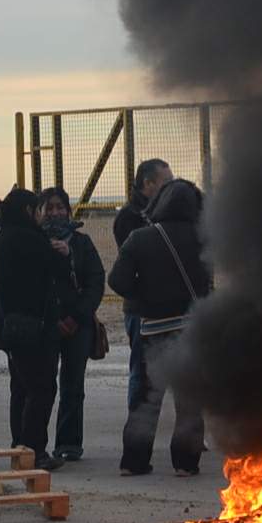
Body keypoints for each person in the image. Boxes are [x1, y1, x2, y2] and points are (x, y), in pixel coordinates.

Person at [109, 177, 210, 477]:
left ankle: (134, 461)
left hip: (153, 331)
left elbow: (117, 281)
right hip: (192, 331)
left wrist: (146, 298)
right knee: (190, 400)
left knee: (146, 399)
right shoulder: (205, 239)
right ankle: (185, 463)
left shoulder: (140, 238)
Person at [0, 184, 84, 473]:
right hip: (32, 327)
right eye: (39, 210)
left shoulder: (4, 239)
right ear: (29, 211)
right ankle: (34, 451)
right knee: (41, 389)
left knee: (20, 389)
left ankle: (20, 447)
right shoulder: (29, 239)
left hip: (9, 325)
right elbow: (55, 272)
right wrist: (63, 254)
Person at [38, 185, 105, 464]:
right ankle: (34, 444)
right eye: (49, 207)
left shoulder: (82, 243)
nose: (55, 212)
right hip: (45, 325)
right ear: (40, 212)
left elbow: (95, 283)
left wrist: (76, 317)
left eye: (60, 207)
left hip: (78, 324)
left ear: (68, 209)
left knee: (73, 385)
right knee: (42, 385)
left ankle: (68, 443)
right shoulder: (34, 243)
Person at [112, 160, 172, 412]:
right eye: (166, 182)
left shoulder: (167, 213)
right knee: (142, 369)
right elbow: (126, 272)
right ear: (148, 184)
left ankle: (189, 432)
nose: (171, 188)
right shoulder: (129, 218)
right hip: (142, 310)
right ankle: (138, 428)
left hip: (172, 305)